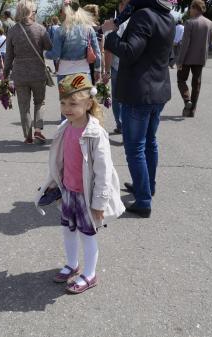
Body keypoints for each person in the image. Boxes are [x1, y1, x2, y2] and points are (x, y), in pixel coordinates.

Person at [34, 73, 125, 294]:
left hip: (87, 195)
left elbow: (103, 172)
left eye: (73, 103)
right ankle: (72, 263)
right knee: (68, 230)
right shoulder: (65, 127)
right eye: (63, 103)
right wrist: (55, 183)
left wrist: (99, 203)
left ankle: (90, 274)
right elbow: (61, 160)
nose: (67, 108)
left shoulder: (95, 133)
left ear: (88, 103)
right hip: (69, 192)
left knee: (87, 234)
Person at [103, 0, 175, 217]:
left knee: (135, 148)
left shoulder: (144, 15)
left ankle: (143, 199)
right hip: (158, 90)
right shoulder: (167, 17)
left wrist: (111, 35)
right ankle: (146, 186)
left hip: (139, 92)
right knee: (149, 142)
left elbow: (129, 51)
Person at [3, 0, 52, 144]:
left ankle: (28, 136)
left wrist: (5, 74)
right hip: (38, 72)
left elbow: (9, 56)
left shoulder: (12, 31)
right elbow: (49, 47)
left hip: (20, 74)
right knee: (40, 102)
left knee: (24, 106)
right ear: (31, 12)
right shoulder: (40, 29)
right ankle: (38, 130)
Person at [45, 0, 101, 89]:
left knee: (66, 102)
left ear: (65, 12)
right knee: (83, 101)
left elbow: (55, 54)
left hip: (64, 74)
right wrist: (97, 69)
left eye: (61, 11)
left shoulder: (60, 31)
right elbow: (97, 53)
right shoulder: (89, 29)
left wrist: (45, 53)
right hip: (84, 74)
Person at [176, 0, 212, 117]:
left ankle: (187, 101)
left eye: (190, 8)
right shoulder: (210, 23)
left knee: (181, 80)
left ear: (195, 8)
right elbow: (210, 41)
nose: (189, 10)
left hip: (187, 58)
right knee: (196, 84)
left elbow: (185, 44)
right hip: (201, 58)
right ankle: (192, 111)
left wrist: (179, 61)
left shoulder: (189, 23)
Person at [103, 0, 129, 134]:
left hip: (118, 67)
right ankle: (127, 125)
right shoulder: (140, 21)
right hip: (133, 67)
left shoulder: (115, 24)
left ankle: (121, 124)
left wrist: (106, 72)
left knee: (118, 98)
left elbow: (108, 50)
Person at [83, 4, 103, 84]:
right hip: (96, 62)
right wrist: (100, 69)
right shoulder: (100, 29)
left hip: (84, 63)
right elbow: (101, 50)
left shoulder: (82, 28)